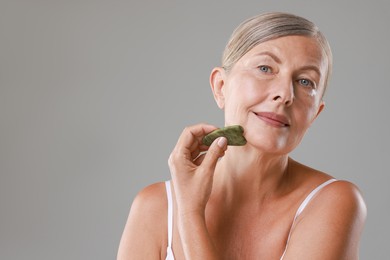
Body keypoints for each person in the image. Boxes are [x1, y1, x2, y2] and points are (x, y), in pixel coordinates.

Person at [117, 12, 367, 260]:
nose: (284, 93)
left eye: (305, 82)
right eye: (265, 68)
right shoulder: (154, 208)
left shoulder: (333, 202)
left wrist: (190, 214)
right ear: (220, 87)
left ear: (315, 114)